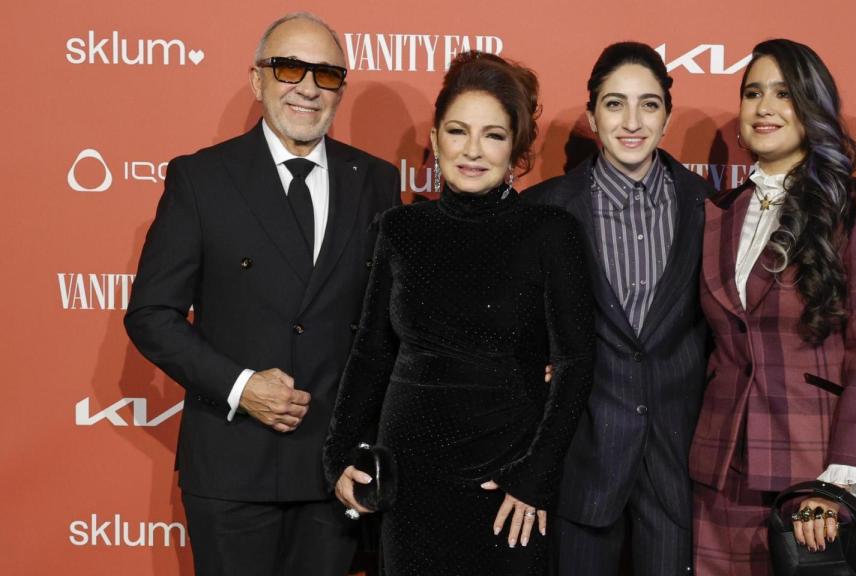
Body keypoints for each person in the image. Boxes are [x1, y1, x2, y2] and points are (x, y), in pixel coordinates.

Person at [123, 12, 401, 576]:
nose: (307, 88)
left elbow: (392, 321)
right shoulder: (202, 178)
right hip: (233, 468)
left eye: (326, 74)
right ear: (257, 80)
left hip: (333, 471)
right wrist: (241, 386)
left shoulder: (375, 180)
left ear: (340, 90)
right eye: (289, 68)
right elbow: (151, 314)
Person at [322, 51, 595, 575]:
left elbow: (576, 362)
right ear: (435, 137)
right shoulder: (401, 229)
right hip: (410, 480)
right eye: (457, 131)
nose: (472, 151)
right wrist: (338, 456)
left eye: (493, 135)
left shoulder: (550, 232)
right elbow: (372, 353)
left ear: (515, 146)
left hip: (507, 481)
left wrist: (536, 474)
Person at [689, 38, 856, 574]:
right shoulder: (716, 213)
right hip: (722, 475)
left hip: (818, 477)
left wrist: (838, 482)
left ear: (813, 105)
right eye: (752, 93)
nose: (764, 107)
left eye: (783, 93)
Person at [524, 42, 714, 575]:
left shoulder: (711, 205)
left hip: (676, 465)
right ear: (592, 116)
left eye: (648, 105)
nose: (632, 122)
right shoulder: (545, 208)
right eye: (615, 104)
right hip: (582, 461)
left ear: (667, 116)